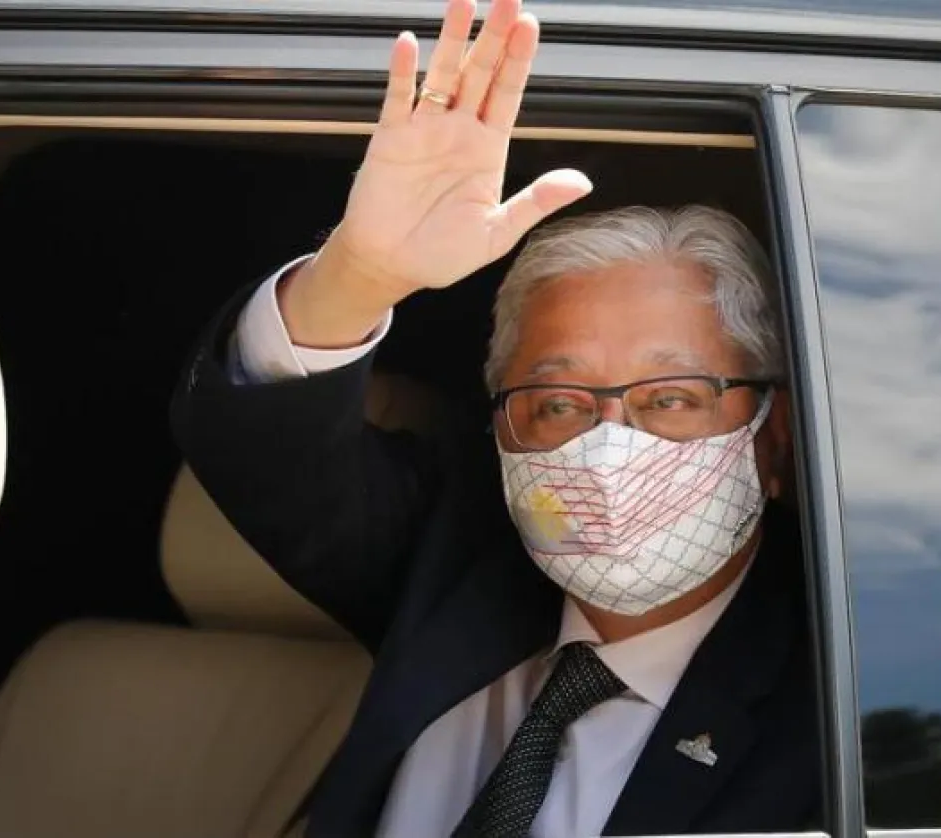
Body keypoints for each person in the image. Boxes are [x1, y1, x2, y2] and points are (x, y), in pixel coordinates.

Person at [170, 0, 819, 833]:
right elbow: (266, 449)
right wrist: (360, 274)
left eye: (669, 399)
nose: (610, 448)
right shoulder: (456, 565)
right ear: (503, 431)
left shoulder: (849, 701)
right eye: (557, 403)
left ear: (774, 437)